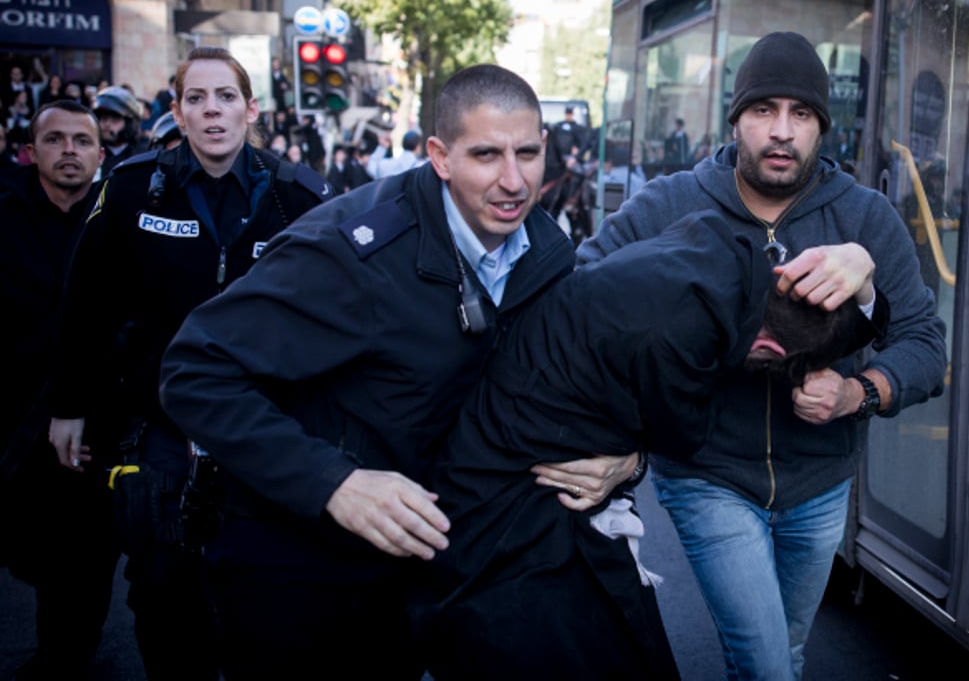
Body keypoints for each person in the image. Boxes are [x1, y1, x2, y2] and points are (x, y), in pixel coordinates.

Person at [158, 64, 638, 680]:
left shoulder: (546, 252)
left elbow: (575, 386)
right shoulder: (352, 251)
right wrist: (335, 484)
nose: (513, 181)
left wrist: (628, 461)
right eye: (486, 155)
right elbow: (195, 369)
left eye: (527, 153)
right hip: (299, 570)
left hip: (428, 570)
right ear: (438, 155)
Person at [577, 31, 947, 680]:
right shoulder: (672, 204)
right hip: (706, 473)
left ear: (822, 127)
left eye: (801, 114)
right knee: (768, 664)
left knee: (786, 653)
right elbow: (580, 296)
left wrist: (859, 393)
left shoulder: (865, 217)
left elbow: (924, 346)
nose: (782, 131)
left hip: (822, 482)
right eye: (763, 111)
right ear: (736, 119)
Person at [408, 210, 885, 679]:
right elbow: (682, 436)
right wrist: (633, 463)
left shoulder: (718, 246)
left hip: (510, 453)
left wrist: (862, 276)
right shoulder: (673, 340)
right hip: (527, 488)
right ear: (772, 352)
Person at [44, 47, 333, 681]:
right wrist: (68, 405)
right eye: (196, 99)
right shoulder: (127, 187)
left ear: (250, 109)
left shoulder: (298, 197)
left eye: (225, 97)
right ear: (176, 111)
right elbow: (84, 301)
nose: (212, 112)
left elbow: (334, 313)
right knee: (163, 582)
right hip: (162, 420)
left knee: (262, 583)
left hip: (264, 424)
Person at [0, 101, 113, 680]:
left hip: (89, 429)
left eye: (81, 141)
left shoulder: (118, 218)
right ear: (31, 152)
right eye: (55, 140)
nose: (69, 150)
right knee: (28, 551)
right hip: (13, 418)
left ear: (100, 154)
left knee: (82, 562)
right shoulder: (5, 214)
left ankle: (63, 661)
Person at [93, 84, 146, 177]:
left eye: (115, 119)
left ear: (129, 124)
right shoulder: (92, 155)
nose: (107, 124)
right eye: (104, 118)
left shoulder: (142, 157)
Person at [541, 104, 583, 218]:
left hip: (570, 157)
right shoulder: (558, 126)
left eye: (570, 113)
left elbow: (580, 144)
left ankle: (571, 201)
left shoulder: (577, 128)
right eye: (567, 113)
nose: (568, 115)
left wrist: (575, 155)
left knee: (578, 175)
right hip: (558, 156)